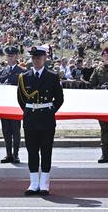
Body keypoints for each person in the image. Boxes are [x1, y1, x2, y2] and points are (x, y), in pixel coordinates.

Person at [19, 45, 64, 196]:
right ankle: (34, 183)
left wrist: (49, 110)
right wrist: (29, 111)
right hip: (31, 118)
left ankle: (44, 183)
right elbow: (21, 100)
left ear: (44, 58)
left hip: (46, 119)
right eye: (34, 58)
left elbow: (59, 99)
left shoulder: (52, 76)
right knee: (32, 151)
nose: (36, 60)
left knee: (46, 151)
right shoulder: (24, 77)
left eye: (39, 58)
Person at [0, 45, 27, 163]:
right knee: (6, 131)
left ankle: (15, 154)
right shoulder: (1, 72)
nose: (9, 57)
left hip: (15, 105)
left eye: (12, 55)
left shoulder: (22, 72)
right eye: (8, 55)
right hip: (4, 106)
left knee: (15, 130)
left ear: (17, 56)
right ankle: (8, 154)